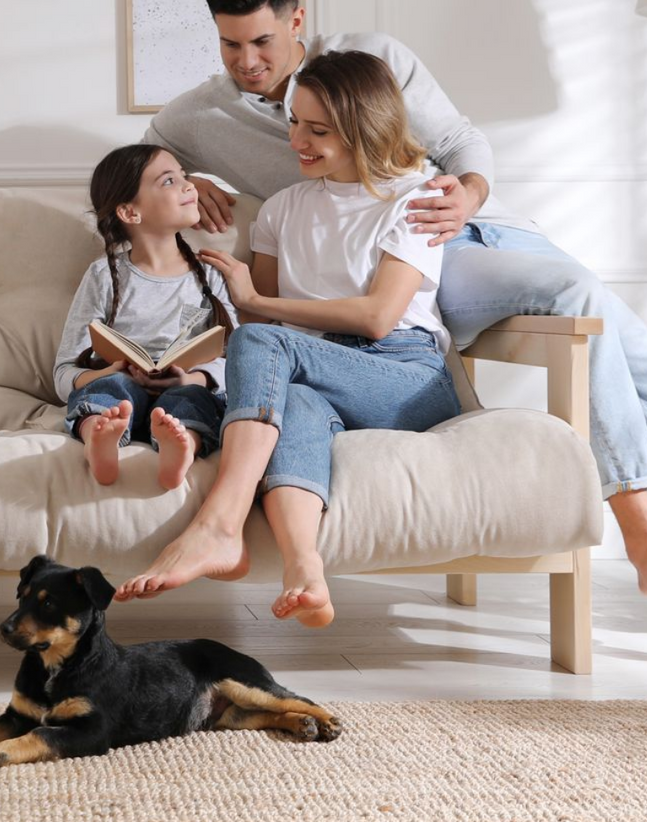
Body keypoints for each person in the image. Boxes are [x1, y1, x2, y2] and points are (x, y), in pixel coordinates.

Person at [123, 0, 647, 663]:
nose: (248, 61)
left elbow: (461, 143)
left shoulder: (371, 59)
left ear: (296, 20)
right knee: (599, 326)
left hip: (459, 237)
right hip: (388, 273)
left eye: (261, 40)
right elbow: (146, 153)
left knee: (643, 362)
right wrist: (187, 175)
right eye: (229, 46)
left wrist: (464, 197)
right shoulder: (206, 116)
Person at [137, 50, 462, 628]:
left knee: (271, 348)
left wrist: (255, 304)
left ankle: (218, 525)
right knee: (299, 402)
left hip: (404, 376)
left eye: (318, 130)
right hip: (317, 372)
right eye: (294, 123)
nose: (297, 142)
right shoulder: (283, 210)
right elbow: (260, 335)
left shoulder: (417, 199)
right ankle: (305, 569)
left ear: (365, 128)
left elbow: (379, 316)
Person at [54, 145, 237, 490]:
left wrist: (192, 380)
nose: (189, 186)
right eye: (170, 180)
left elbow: (240, 363)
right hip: (122, 391)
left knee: (193, 402)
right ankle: (100, 437)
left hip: (184, 389)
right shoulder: (103, 276)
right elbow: (63, 373)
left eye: (184, 175)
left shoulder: (209, 275)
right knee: (111, 388)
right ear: (130, 212)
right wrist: (109, 371)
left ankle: (182, 448)